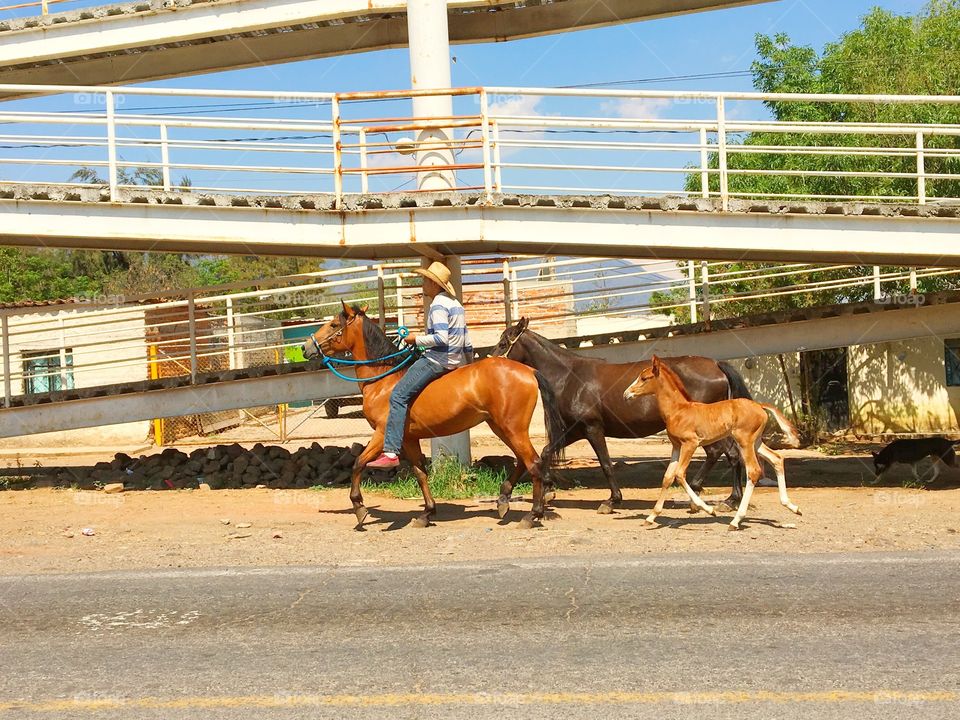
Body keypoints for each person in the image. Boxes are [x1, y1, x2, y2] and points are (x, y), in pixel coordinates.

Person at [367, 261, 474, 469]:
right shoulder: (457, 305)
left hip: (437, 361)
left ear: (435, 284)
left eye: (426, 280)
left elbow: (441, 338)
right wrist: (469, 365)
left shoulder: (438, 305)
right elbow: (466, 341)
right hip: (454, 361)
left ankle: (390, 451)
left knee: (398, 394)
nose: (423, 283)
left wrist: (415, 339)